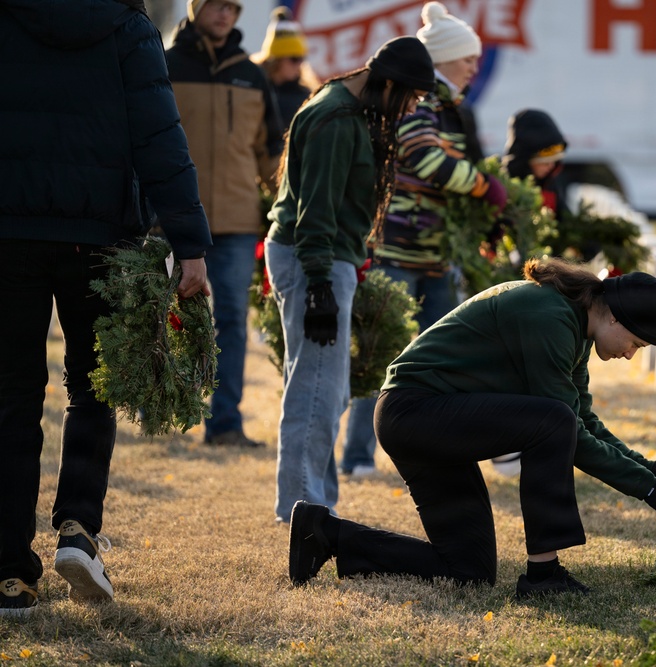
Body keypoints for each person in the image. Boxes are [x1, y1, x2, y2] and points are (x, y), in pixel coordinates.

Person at [288, 258, 656, 596]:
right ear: (612, 315)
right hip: (413, 413)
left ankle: (325, 532)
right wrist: (650, 491)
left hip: (430, 419)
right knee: (553, 421)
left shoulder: (574, 326)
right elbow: (567, 430)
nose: (629, 355)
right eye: (635, 344)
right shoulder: (551, 317)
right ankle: (543, 574)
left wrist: (649, 470)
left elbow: (584, 420)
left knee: (469, 570)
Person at [0, 0, 212, 616]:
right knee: (93, 387)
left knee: (12, 395)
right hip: (97, 234)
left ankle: (9, 576)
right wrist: (190, 245)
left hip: (9, 232)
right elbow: (159, 136)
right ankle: (77, 530)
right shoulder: (127, 23)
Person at [265, 37, 436, 524]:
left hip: (324, 256)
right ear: (386, 83)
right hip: (312, 259)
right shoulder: (336, 120)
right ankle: (302, 507)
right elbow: (315, 208)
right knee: (315, 388)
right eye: (409, 98)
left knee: (329, 388)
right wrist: (319, 283)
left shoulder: (350, 106)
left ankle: (317, 501)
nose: (409, 109)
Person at [341, 1, 506, 477]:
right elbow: (425, 161)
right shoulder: (423, 100)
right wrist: (481, 185)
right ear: (444, 59)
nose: (477, 66)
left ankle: (445, 454)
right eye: (469, 58)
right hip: (396, 252)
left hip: (438, 256)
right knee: (381, 356)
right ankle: (356, 457)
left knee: (451, 361)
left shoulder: (451, 106)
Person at [166, 0, 285, 448]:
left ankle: (225, 424)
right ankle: (157, 415)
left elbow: (272, 149)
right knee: (165, 318)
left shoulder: (252, 74)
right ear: (197, 8)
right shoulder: (164, 64)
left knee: (232, 319)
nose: (224, 15)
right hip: (172, 221)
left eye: (232, 8)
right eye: (215, 6)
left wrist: (288, 203)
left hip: (236, 222)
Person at [251, 6, 320, 136]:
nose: (300, 64)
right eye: (294, 58)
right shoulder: (254, 90)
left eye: (302, 58)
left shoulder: (307, 96)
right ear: (276, 60)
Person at [502, 108, 573, 223]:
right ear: (526, 160)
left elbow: (565, 219)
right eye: (544, 162)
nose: (551, 166)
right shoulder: (505, 186)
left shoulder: (549, 183)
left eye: (554, 161)